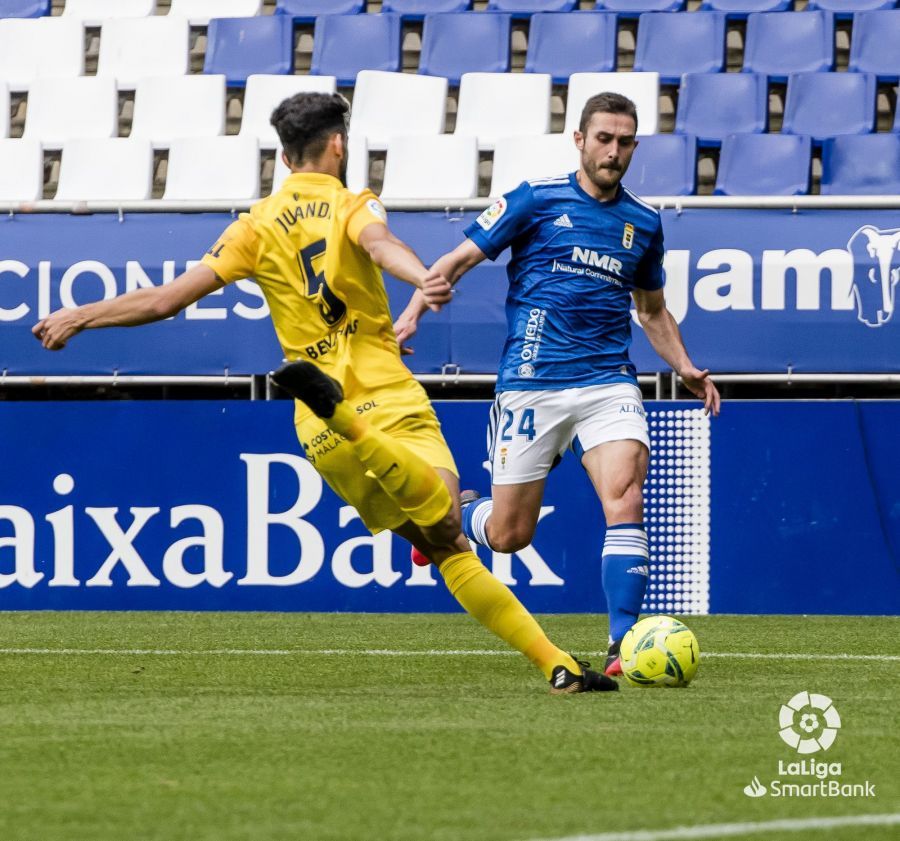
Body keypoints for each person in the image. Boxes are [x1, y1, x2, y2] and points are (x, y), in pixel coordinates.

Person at [33, 92, 616, 695]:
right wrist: (422, 276)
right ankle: (382, 449)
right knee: (446, 518)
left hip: (316, 425)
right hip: (383, 393)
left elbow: (165, 299)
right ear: (338, 143)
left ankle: (558, 665)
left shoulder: (255, 224)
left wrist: (80, 315)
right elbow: (378, 243)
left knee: (446, 546)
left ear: (284, 157)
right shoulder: (348, 202)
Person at [395, 92, 721, 676]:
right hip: (531, 383)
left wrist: (685, 365)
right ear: (580, 139)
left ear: (634, 147)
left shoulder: (643, 223)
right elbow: (457, 261)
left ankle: (622, 643)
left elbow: (651, 311)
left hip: (607, 382)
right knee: (508, 535)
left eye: (624, 142)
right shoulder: (535, 199)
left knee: (625, 498)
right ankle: (458, 514)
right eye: (604, 139)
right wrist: (413, 313)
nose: (613, 151)